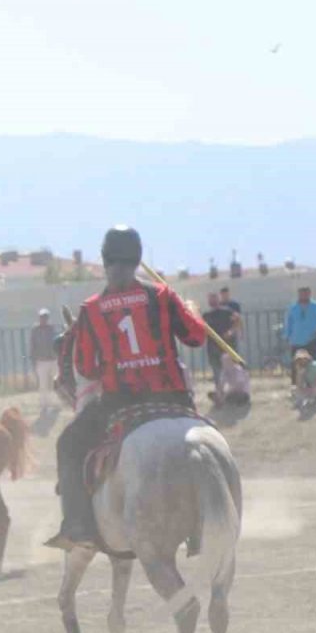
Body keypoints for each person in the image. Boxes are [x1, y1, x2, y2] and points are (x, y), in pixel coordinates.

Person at [46, 226, 206, 552]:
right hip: (173, 397)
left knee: (69, 444)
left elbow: (87, 368)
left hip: (122, 403)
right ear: (137, 259)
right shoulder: (162, 295)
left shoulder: (91, 309)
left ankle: (78, 527)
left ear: (105, 259)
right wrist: (188, 309)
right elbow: (197, 337)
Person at [284, 286, 316, 382]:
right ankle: (295, 385)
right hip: (295, 340)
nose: (303, 295)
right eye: (301, 293)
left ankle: (311, 384)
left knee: (311, 364)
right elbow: (288, 323)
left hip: (311, 339)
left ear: (309, 294)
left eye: (305, 293)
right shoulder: (293, 308)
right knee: (295, 364)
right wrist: (287, 337)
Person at [202, 292, 239, 399]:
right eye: (210, 299)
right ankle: (219, 394)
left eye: (214, 299)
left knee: (230, 370)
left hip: (228, 347)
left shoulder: (227, 311)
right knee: (216, 371)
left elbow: (237, 322)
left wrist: (231, 332)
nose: (212, 301)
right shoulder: (206, 315)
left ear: (218, 300)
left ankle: (234, 393)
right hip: (213, 348)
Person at [29, 309, 58, 411]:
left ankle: (56, 402)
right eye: (42, 317)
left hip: (53, 359)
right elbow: (32, 346)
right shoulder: (35, 330)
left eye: (45, 317)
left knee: (55, 382)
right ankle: (44, 403)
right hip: (41, 361)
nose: (44, 319)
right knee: (43, 383)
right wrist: (33, 359)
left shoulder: (52, 328)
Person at [293, 349, 316, 414]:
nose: (301, 361)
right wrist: (299, 374)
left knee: (314, 389)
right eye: (299, 359)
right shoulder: (304, 368)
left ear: (307, 358)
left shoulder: (315, 367)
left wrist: (306, 391)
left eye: (303, 358)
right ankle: (301, 402)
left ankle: (310, 402)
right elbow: (299, 385)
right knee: (295, 389)